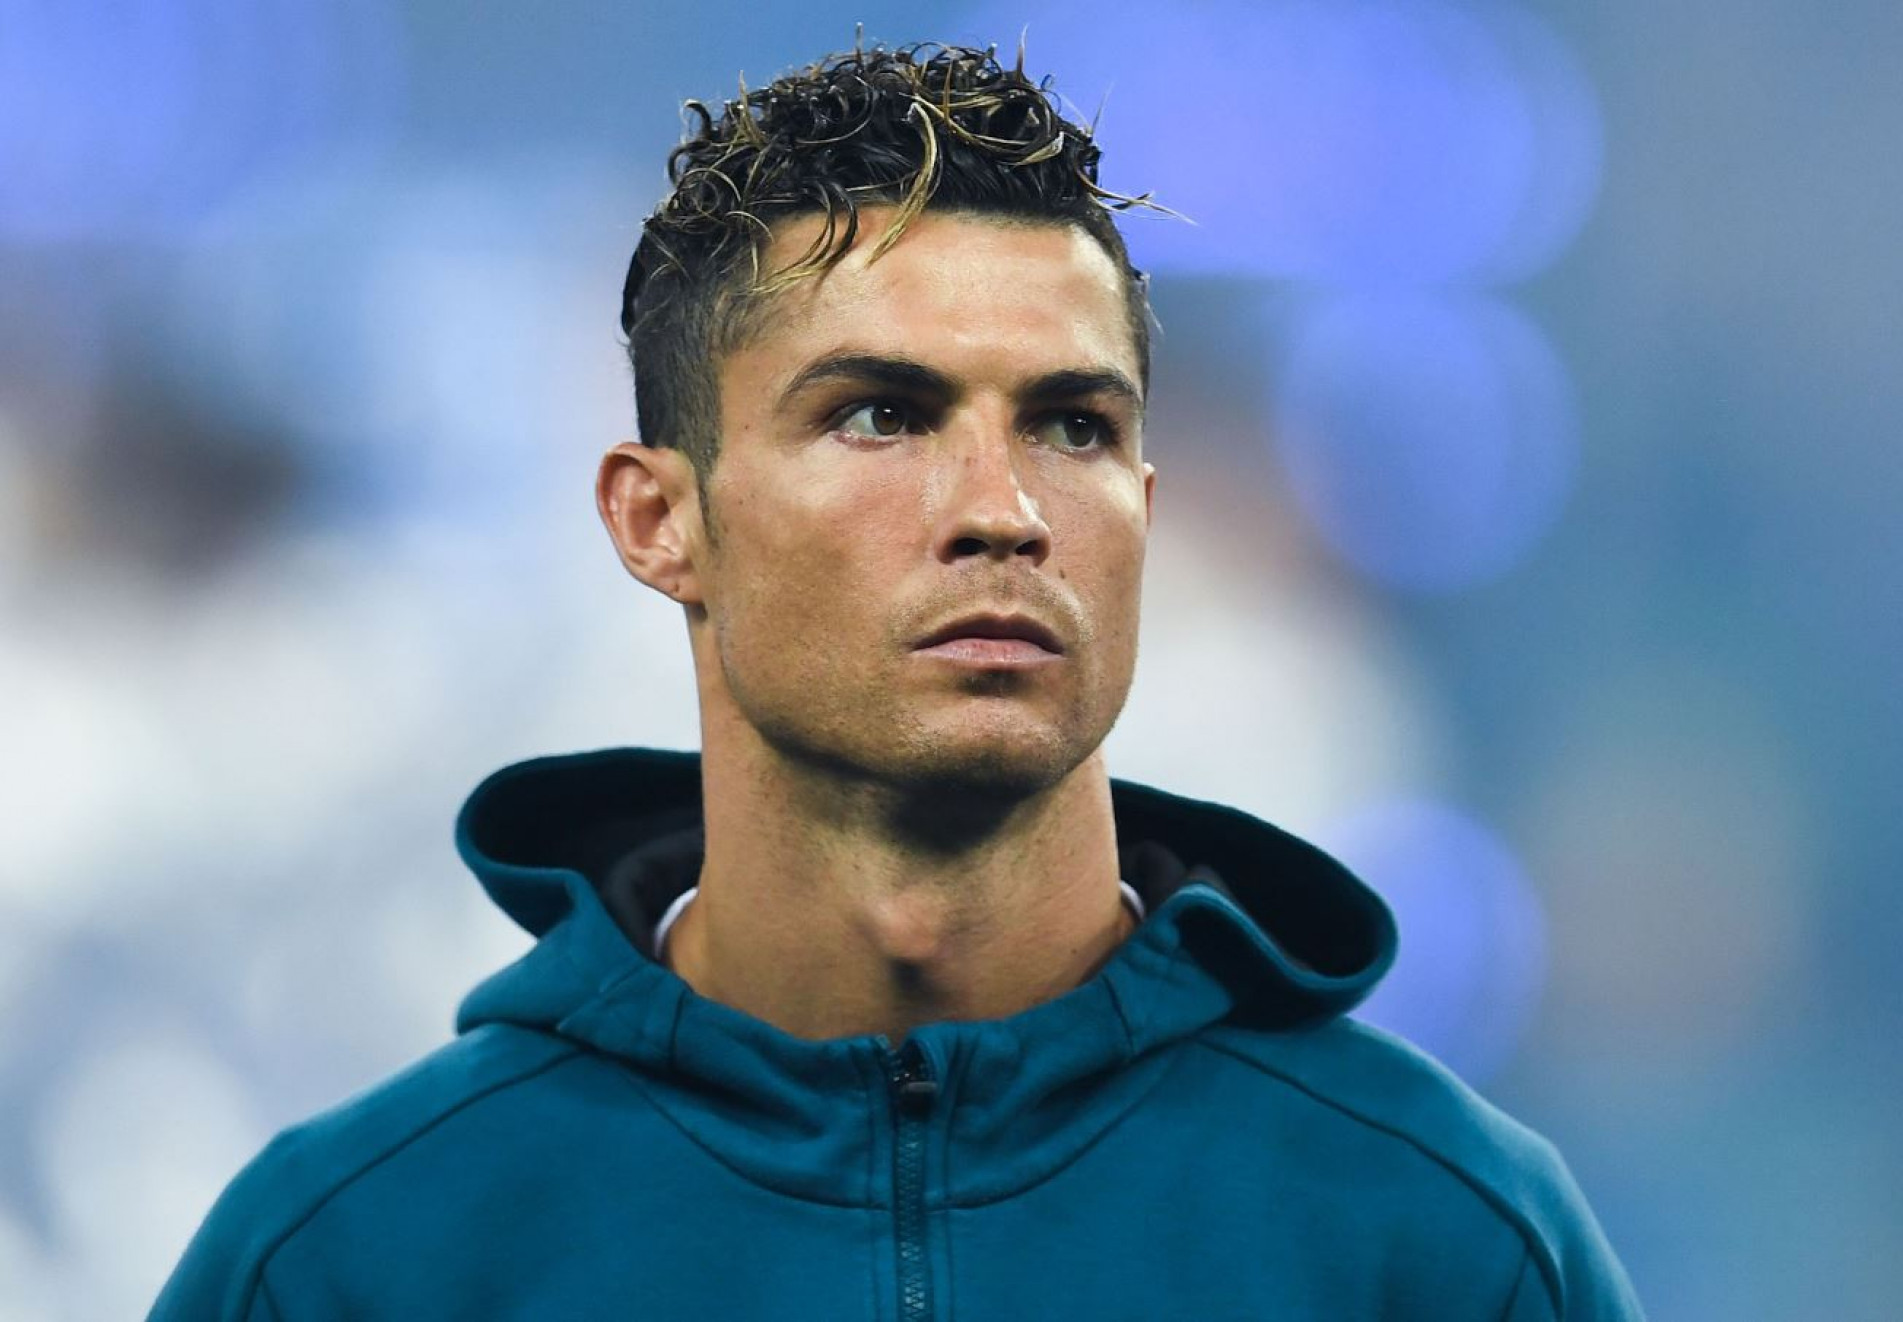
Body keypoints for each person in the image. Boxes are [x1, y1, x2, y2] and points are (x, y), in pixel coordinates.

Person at [152, 41, 1642, 1321]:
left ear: (1146, 506)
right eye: (881, 415)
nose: (1004, 508)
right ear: (658, 520)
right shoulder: (361, 1255)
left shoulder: (1435, 1239)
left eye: (1071, 424)